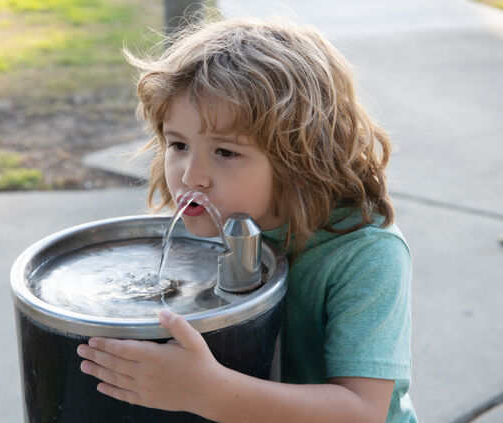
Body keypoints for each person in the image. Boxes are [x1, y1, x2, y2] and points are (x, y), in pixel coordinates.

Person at [76, 17, 417, 422]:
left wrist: (204, 392)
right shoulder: (212, 222)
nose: (191, 176)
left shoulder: (363, 255)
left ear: (300, 159)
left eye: (225, 152)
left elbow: (361, 412)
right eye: (179, 144)